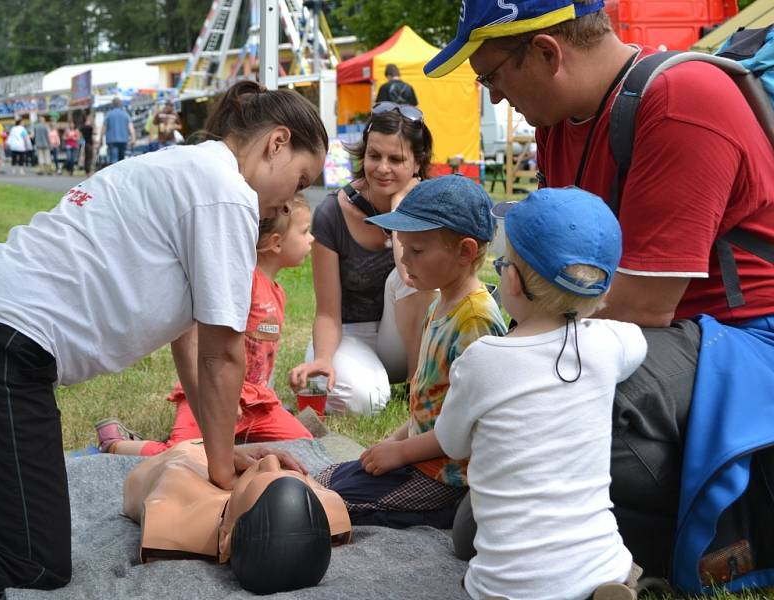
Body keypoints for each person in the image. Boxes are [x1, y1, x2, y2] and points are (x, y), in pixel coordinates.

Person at [425, 0, 774, 579]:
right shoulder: (559, 124)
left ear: (546, 52)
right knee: (491, 498)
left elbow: (642, 307)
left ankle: (735, 527)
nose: (494, 98)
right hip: (662, 344)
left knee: (553, 396)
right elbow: (558, 293)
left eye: (491, 76)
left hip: (744, 347)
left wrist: (513, 375)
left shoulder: (684, 101)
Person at [0, 80, 328, 595]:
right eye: (299, 179)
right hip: (1, 340)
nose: (287, 203)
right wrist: (225, 471)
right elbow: (223, 354)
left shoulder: (191, 169)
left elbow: (188, 339)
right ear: (277, 142)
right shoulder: (223, 192)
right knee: (31, 561)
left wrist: (218, 451)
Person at [435, 187, 647, 600]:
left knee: (468, 540)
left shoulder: (482, 360)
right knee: (608, 557)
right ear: (603, 291)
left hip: (505, 584)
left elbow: (450, 441)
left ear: (510, 280)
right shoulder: (609, 344)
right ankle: (604, 582)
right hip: (601, 563)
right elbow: (637, 341)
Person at [314, 175, 508, 529]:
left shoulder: (475, 322)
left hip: (448, 480)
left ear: (465, 251)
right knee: (326, 479)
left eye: (417, 250)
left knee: (329, 504)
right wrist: (395, 440)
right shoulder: (441, 302)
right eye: (401, 246)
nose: (404, 259)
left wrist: (401, 452)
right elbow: (431, 408)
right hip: (421, 459)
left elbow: (469, 427)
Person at [96, 196, 316, 455]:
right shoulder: (244, 282)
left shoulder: (277, 292)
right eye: (304, 232)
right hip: (212, 391)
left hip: (257, 403)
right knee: (186, 453)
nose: (311, 238)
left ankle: (237, 441)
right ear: (276, 243)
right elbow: (201, 336)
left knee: (304, 446)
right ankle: (115, 443)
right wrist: (216, 392)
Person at [289, 103, 437, 415]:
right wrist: (324, 360)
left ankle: (418, 383)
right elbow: (328, 313)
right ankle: (351, 380)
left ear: (417, 163)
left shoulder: (428, 209)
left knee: (417, 273)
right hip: (348, 337)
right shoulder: (332, 213)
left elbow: (413, 279)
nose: (382, 167)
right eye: (374, 155)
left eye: (395, 159)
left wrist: (400, 211)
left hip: (403, 340)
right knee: (365, 401)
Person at [122, 444, 351, 593]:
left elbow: (139, 482)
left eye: (256, 477)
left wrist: (217, 453)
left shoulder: (171, 511)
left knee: (172, 446)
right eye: (282, 472)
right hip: (218, 448)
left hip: (186, 451)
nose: (271, 459)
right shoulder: (325, 511)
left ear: (226, 538)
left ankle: (116, 442)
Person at [102, 97, 135, 164]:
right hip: (123, 140)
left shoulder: (108, 114)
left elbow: (104, 129)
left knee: (113, 159)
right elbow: (131, 128)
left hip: (112, 140)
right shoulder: (126, 115)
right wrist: (133, 138)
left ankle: (114, 174)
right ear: (121, 104)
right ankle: (120, 173)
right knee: (121, 160)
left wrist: (100, 139)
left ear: (112, 104)